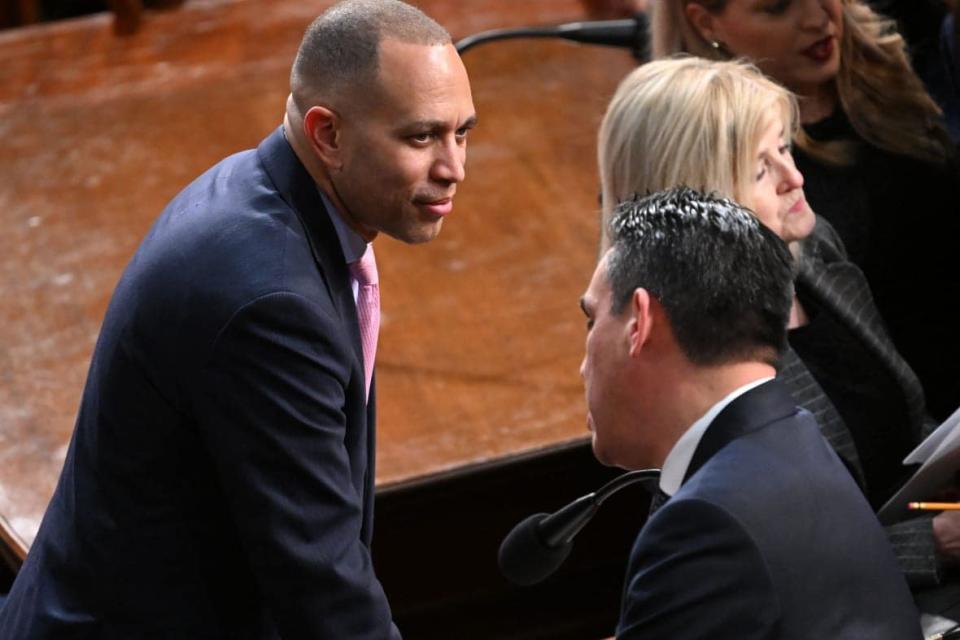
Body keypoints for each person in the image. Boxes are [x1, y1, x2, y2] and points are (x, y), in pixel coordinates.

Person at [0, 0, 476, 637]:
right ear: (327, 134)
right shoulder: (270, 302)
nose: (454, 169)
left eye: (462, 131)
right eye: (421, 137)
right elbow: (324, 588)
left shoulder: (264, 192)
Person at [598, 56, 955, 588]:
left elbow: (903, 422)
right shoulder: (685, 354)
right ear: (703, 204)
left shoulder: (810, 248)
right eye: (764, 169)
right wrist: (932, 545)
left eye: (785, 148)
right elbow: (767, 557)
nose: (796, 178)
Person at [581, 186, 921, 638]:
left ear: (639, 323)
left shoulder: (705, 525)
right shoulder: (802, 442)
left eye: (591, 320)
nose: (583, 363)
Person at [648, 0, 960, 427]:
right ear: (704, 21)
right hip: (890, 434)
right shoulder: (701, 167)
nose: (817, 19)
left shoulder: (895, 51)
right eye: (777, 7)